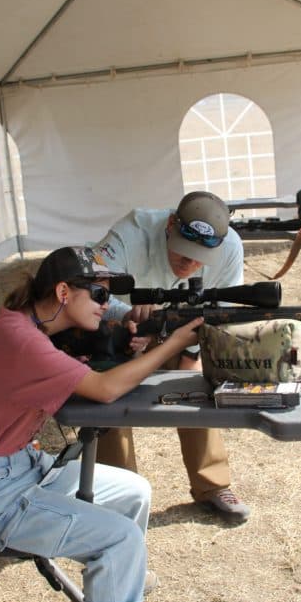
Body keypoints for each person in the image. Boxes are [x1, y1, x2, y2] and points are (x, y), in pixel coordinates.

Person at [0, 246, 202, 602]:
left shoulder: (25, 324)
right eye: (98, 295)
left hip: (21, 465)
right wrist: (175, 344)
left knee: (135, 492)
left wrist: (124, 338)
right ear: (63, 292)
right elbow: (106, 388)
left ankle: (116, 587)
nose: (106, 306)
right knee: (119, 539)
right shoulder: (21, 339)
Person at [90, 191, 250, 520]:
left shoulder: (231, 246)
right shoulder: (130, 232)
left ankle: (213, 484)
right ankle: (119, 495)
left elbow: (224, 316)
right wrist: (126, 318)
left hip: (187, 328)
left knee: (200, 389)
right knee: (107, 395)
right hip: (125, 328)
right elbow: (89, 288)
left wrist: (191, 349)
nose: (189, 264)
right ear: (169, 226)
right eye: (183, 251)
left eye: (198, 257)